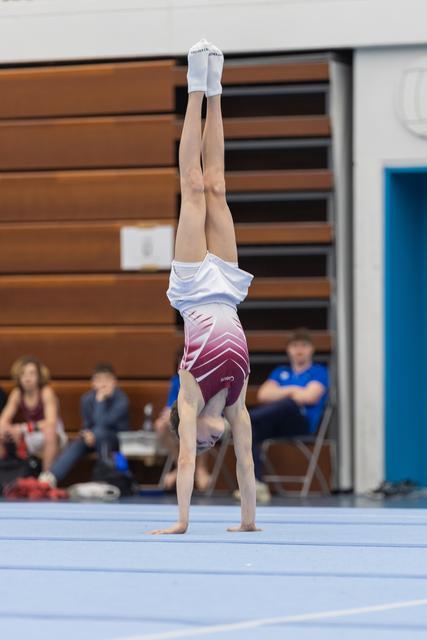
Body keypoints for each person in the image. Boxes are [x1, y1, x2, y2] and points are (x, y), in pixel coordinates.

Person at [150, 39, 259, 535]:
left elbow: (188, 467)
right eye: (206, 444)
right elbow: (247, 465)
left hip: (195, 287)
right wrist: (248, 522)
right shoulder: (235, 402)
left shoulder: (190, 398)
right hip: (229, 290)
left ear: (185, 427)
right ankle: (216, 89)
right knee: (216, 184)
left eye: (197, 442)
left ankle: (194, 88)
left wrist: (181, 521)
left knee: (191, 187)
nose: (205, 446)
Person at [248, 327, 329, 502]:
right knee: (250, 431)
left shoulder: (318, 371)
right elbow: (263, 395)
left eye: (304, 345)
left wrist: (283, 391)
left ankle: (238, 421)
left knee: (287, 404)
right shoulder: (280, 371)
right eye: (295, 345)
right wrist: (294, 390)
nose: (299, 350)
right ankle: (256, 484)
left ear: (311, 349)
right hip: (278, 423)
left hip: (302, 423)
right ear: (288, 349)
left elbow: (310, 396)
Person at [39, 363, 130, 486]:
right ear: (93, 383)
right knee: (78, 443)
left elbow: (104, 422)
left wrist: (100, 402)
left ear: (114, 382)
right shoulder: (86, 399)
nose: (103, 384)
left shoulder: (122, 400)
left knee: (101, 435)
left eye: (107, 379)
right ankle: (50, 477)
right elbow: (86, 424)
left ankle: (104, 480)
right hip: (92, 438)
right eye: (99, 379)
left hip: (115, 438)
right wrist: (86, 434)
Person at [154, 348, 213, 492]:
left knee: (201, 422)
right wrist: (167, 414)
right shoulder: (176, 382)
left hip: (211, 421)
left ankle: (200, 468)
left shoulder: (208, 379)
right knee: (161, 425)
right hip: (184, 421)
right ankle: (181, 466)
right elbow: (170, 407)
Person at [0, 355, 67, 470]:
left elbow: (50, 423)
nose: (27, 378)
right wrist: (7, 430)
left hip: (54, 436)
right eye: (23, 374)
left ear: (39, 376)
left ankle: (47, 479)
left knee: (49, 433)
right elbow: (3, 420)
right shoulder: (17, 393)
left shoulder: (46, 392)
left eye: (32, 374)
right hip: (31, 435)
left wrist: (21, 429)